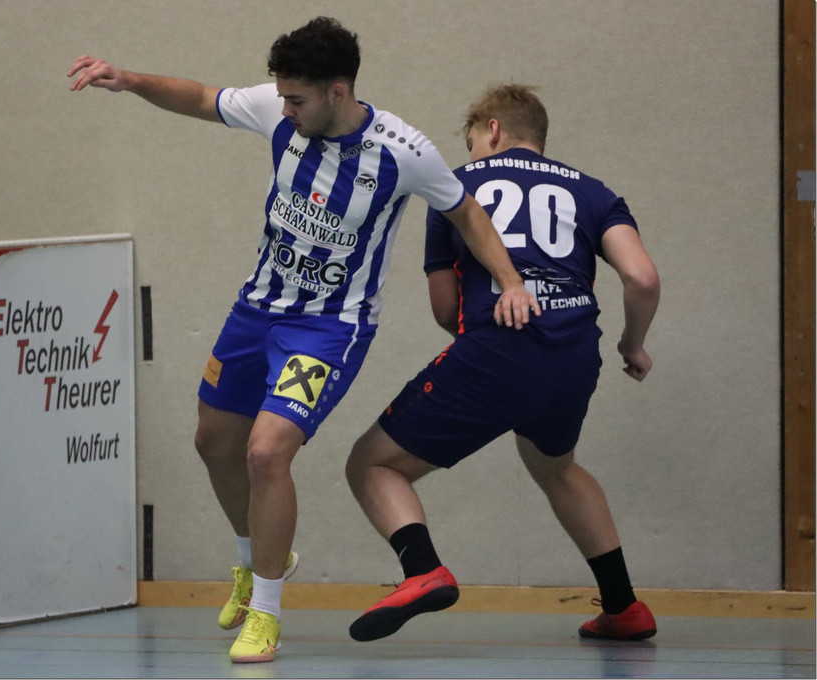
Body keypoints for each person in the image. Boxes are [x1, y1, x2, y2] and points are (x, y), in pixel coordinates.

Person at [68, 19, 540, 663]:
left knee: (267, 453)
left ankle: (266, 613)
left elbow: (468, 214)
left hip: (327, 330)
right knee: (214, 443)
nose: (284, 108)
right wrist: (128, 79)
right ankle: (255, 560)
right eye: (282, 97)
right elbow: (201, 97)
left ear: (337, 92)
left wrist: (510, 281)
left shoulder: (403, 150)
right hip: (255, 311)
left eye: (297, 100)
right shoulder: (278, 110)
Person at [344, 84, 661, 643]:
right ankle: (624, 607)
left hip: (498, 349)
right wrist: (632, 345)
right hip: (575, 357)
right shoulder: (594, 192)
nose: (470, 154)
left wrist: (494, 361)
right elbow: (642, 278)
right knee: (555, 465)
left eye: (470, 141)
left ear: (491, 130)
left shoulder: (455, 186)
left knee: (372, 464)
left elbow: (445, 308)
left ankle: (422, 571)